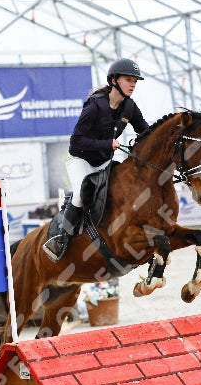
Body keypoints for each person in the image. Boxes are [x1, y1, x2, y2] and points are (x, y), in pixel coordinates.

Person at [43, 58, 150, 261]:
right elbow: (75, 142)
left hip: (103, 162)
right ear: (113, 80)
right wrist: (106, 144)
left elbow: (144, 130)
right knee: (82, 195)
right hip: (80, 160)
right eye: (129, 80)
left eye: (135, 81)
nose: (133, 84)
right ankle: (60, 238)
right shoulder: (94, 107)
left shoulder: (130, 107)